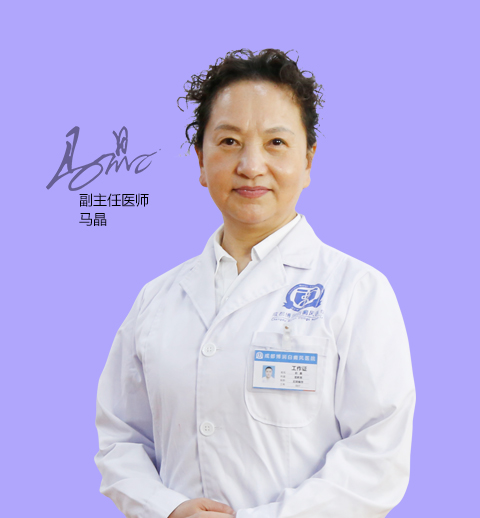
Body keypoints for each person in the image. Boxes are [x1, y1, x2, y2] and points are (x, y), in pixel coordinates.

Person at [94, 48, 415, 518]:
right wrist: (168, 508)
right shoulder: (156, 300)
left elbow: (377, 456)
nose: (250, 164)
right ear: (200, 161)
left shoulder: (357, 291)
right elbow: (121, 437)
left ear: (308, 161)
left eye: (276, 143)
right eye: (228, 141)